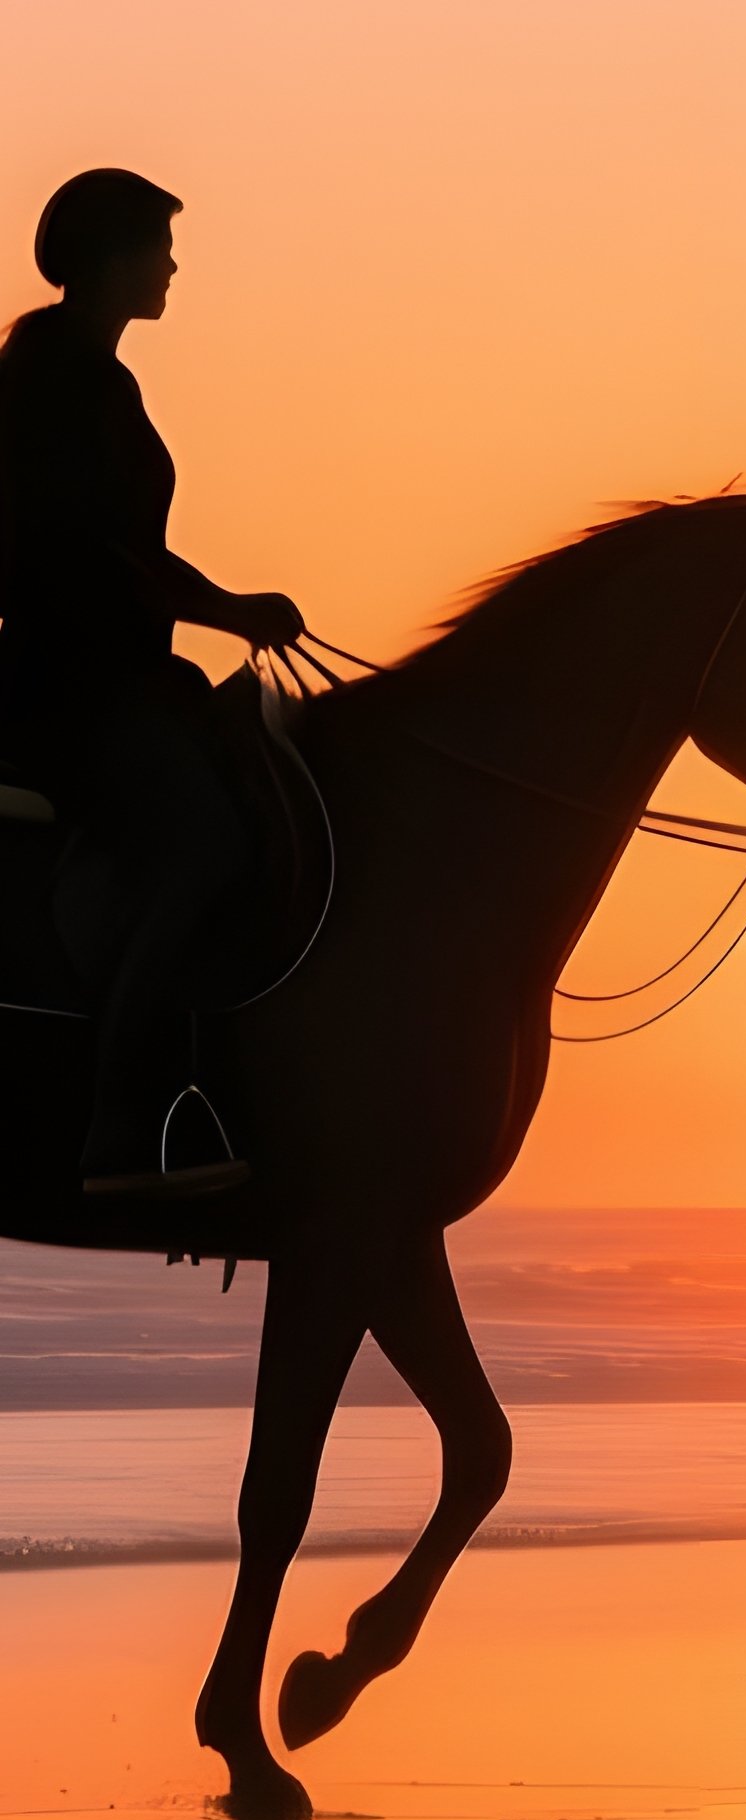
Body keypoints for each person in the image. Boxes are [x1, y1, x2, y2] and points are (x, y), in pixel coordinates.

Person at [0, 169, 304, 1195]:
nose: (172, 266)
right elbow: (99, 555)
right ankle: (118, 1126)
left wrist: (223, 611)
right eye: (158, 248)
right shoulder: (57, 378)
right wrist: (234, 610)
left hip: (113, 675)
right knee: (203, 841)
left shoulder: (90, 374)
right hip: (68, 688)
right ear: (111, 259)